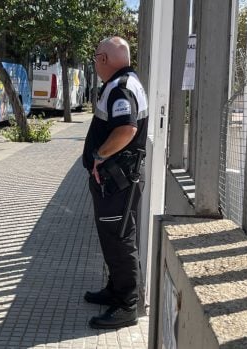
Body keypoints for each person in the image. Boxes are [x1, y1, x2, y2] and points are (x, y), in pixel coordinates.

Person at [82, 36, 149, 329]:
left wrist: (98, 156)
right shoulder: (126, 82)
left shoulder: (120, 88)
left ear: (105, 59)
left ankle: (127, 305)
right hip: (118, 180)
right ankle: (116, 290)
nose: (95, 63)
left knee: (120, 239)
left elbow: (126, 129)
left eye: (96, 57)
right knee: (115, 237)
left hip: (117, 180)